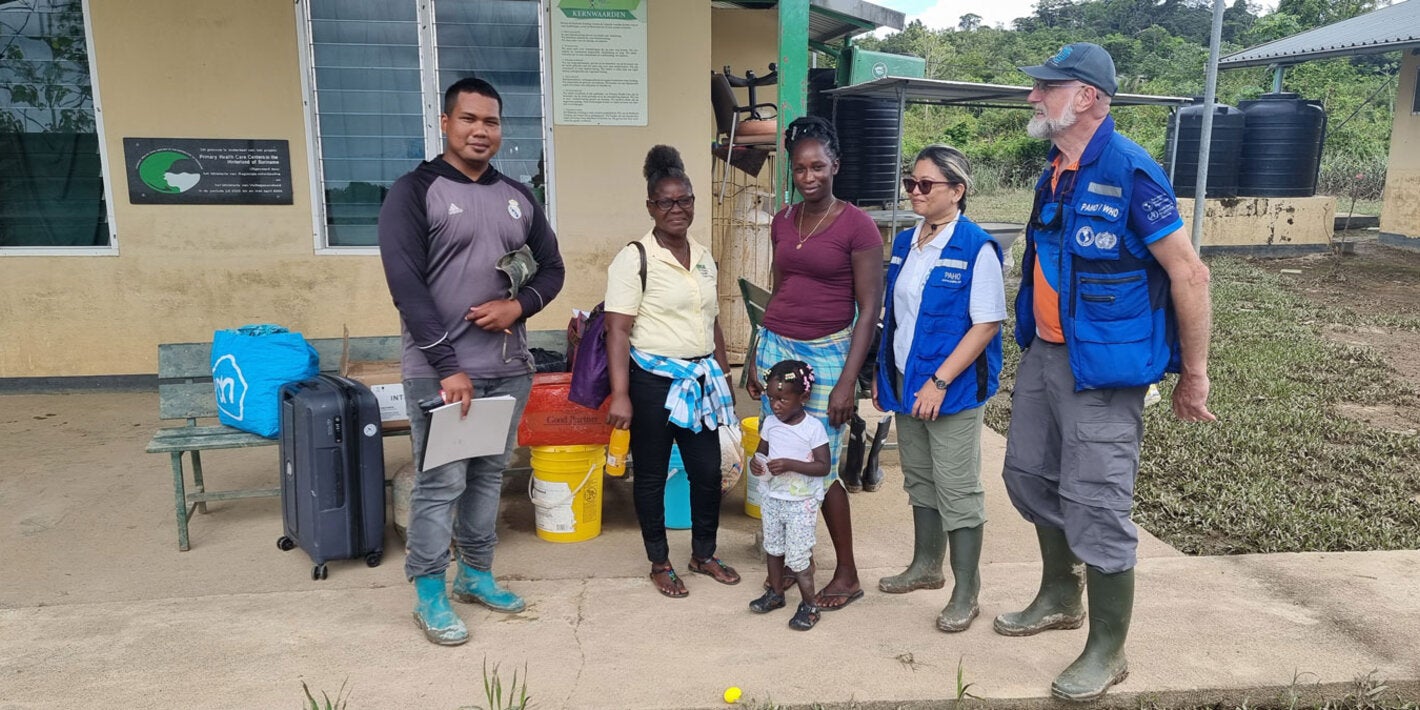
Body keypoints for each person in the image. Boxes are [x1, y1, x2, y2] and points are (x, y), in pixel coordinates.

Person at [997, 42, 1215, 701]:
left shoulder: (1131, 173)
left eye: (1047, 86)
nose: (1034, 96)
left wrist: (1194, 373)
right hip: (1048, 354)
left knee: (1097, 502)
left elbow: (1189, 272)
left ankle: (1107, 650)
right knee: (1028, 474)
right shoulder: (1055, 171)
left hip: (1105, 370)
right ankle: (1062, 595)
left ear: (1086, 96)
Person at [378, 78, 565, 646]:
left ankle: (476, 576)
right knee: (440, 483)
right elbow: (406, 287)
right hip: (443, 374)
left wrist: (517, 306)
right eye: (468, 119)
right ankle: (429, 590)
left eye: (491, 121)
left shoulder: (517, 195)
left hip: (507, 368)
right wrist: (446, 365)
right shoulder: (414, 192)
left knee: (488, 476)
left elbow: (552, 269)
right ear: (444, 123)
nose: (480, 131)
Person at [744, 116, 884, 611]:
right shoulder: (784, 220)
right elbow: (779, 290)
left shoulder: (857, 226)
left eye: (818, 167)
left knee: (819, 470)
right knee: (777, 459)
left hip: (828, 355)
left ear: (835, 166)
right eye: (800, 168)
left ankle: (846, 573)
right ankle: (782, 569)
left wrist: (849, 381)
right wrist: (756, 353)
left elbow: (869, 310)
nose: (809, 177)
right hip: (778, 347)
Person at [873, 145, 1005, 635]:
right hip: (907, 382)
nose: (915, 191)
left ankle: (966, 591)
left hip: (948, 388)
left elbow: (986, 324)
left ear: (957, 190)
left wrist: (940, 380)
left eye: (926, 184)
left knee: (958, 488)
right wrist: (883, 370)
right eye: (911, 182)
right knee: (920, 479)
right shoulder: (908, 242)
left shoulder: (977, 247)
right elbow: (898, 316)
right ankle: (926, 565)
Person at [604, 145, 741, 598]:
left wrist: (722, 372)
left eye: (684, 200)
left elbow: (712, 318)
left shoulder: (703, 255)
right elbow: (618, 331)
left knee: (707, 471)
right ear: (651, 207)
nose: (676, 209)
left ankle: (703, 553)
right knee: (651, 473)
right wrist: (621, 395)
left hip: (699, 381)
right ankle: (659, 561)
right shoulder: (635, 258)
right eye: (666, 201)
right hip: (651, 383)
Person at [747, 360, 832, 631]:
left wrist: (790, 464)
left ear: (803, 397)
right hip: (773, 497)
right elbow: (761, 453)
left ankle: (810, 605)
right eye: (771, 398)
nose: (776, 404)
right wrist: (756, 463)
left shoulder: (812, 428)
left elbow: (823, 466)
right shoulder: (770, 424)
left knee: (797, 556)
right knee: (773, 548)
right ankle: (776, 593)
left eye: (783, 398)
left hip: (801, 503)